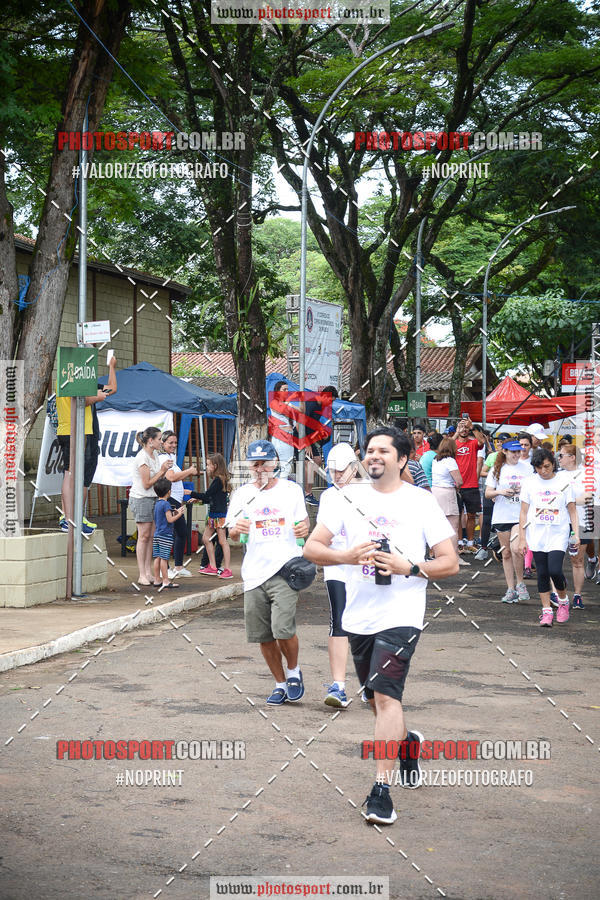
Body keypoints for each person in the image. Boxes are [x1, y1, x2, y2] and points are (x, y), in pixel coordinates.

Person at [304, 428, 458, 825]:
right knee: (374, 700)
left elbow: (450, 562)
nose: (373, 456)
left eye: (383, 451)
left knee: (387, 697)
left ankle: (381, 791)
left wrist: (411, 566)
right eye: (369, 450)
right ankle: (407, 743)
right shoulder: (345, 498)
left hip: (402, 616)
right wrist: (346, 556)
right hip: (358, 616)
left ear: (402, 459)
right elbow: (312, 548)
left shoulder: (421, 501)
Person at [227, 440, 309, 704]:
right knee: (263, 636)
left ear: (276, 463)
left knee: (282, 628)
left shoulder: (291, 490)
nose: (260, 469)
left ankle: (294, 671)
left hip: (285, 570)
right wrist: (236, 529)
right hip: (254, 574)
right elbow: (231, 534)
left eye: (265, 463)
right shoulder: (242, 495)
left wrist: (304, 528)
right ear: (249, 466)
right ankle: (280, 683)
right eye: (255, 464)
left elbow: (304, 522)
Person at [321, 442, 363, 709]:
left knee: (367, 623)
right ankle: (339, 685)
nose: (336, 476)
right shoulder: (328, 497)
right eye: (332, 471)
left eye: (341, 470)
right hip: (336, 564)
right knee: (339, 620)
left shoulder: (370, 493)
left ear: (354, 468)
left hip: (364, 567)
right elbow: (321, 537)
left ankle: (371, 683)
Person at [57, 352, 118, 533]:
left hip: (72, 431)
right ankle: (70, 518)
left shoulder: (70, 379)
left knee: (73, 474)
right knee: (74, 475)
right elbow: (82, 400)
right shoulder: (73, 381)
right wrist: (97, 397)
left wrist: (111, 367)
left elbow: (111, 389)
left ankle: (72, 517)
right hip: (76, 431)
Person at [518, 448, 579, 627]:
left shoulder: (564, 481)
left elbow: (572, 510)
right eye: (539, 468)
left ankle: (563, 601)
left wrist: (576, 534)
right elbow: (523, 512)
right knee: (542, 573)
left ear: (553, 464)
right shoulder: (529, 482)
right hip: (536, 533)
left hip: (558, 532)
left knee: (555, 570)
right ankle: (546, 612)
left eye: (546, 466)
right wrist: (522, 538)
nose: (543, 471)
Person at [485, 440, 533, 603]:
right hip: (502, 515)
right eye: (513, 452)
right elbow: (488, 493)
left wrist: (523, 491)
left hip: (520, 516)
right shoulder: (497, 469)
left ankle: (520, 583)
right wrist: (501, 492)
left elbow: (534, 489)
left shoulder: (527, 468)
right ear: (504, 451)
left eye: (519, 451)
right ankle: (510, 589)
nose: (517, 454)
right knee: (505, 553)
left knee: (516, 548)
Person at [130, 427, 173, 586]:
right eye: (159, 439)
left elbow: (155, 480)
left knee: (151, 536)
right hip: (141, 498)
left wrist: (163, 471)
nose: (161, 442)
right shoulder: (142, 458)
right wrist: (162, 470)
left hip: (153, 498)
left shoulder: (154, 455)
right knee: (143, 536)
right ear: (150, 441)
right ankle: (142, 574)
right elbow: (147, 484)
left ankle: (148, 572)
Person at [556, 444, 594, 610]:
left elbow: (587, 497)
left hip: (581, 521)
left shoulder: (586, 474)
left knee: (577, 560)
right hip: (560, 522)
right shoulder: (557, 475)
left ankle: (577, 595)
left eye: (561, 455)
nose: (558, 458)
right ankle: (558, 593)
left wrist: (567, 501)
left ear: (572, 457)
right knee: (556, 559)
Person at [159, 431, 198, 578]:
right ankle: (169, 568)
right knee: (175, 533)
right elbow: (172, 478)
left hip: (175, 500)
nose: (174, 445)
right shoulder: (164, 458)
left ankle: (177, 567)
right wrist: (189, 471)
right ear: (163, 443)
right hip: (170, 501)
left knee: (179, 533)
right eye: (170, 442)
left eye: (175, 442)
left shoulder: (170, 458)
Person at [197, 453, 232, 579]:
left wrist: (191, 493)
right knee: (206, 538)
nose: (206, 467)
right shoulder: (220, 479)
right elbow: (211, 498)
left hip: (218, 516)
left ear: (215, 466)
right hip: (215, 515)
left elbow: (207, 495)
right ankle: (213, 566)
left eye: (208, 465)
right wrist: (198, 498)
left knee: (222, 541)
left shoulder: (218, 480)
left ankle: (227, 569)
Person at [454, 416, 485, 552]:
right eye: (462, 427)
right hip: (456, 486)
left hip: (471, 485)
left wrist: (472, 427)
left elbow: (482, 441)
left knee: (472, 515)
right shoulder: (453, 443)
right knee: (457, 516)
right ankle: (459, 542)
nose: (464, 430)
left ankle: (470, 542)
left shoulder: (473, 443)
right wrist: (456, 432)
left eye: (466, 427)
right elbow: (444, 448)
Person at [303, 385, 339, 507]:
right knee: (309, 462)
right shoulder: (311, 403)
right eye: (330, 400)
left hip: (309, 437)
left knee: (317, 460)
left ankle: (308, 492)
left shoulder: (321, 406)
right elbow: (302, 422)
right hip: (301, 437)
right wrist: (307, 444)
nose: (331, 404)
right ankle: (306, 493)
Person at [431, 437, 464, 561]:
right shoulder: (450, 461)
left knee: (438, 526)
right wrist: (457, 487)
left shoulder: (436, 460)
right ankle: (454, 557)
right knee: (453, 527)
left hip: (435, 491)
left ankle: (438, 555)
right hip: (447, 492)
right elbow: (459, 480)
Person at [152, 477, 187, 589]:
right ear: (169, 492)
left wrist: (175, 512)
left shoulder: (157, 504)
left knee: (157, 557)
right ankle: (166, 581)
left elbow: (163, 517)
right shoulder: (166, 504)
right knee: (164, 558)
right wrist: (179, 514)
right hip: (166, 535)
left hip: (157, 534)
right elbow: (170, 520)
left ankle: (157, 579)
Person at [268, 380, 295, 480]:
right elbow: (281, 410)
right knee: (285, 465)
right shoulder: (274, 403)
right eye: (284, 389)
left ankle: (279, 483)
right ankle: (281, 486)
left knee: (288, 465)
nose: (287, 391)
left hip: (289, 436)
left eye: (287, 389)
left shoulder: (288, 404)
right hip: (280, 437)